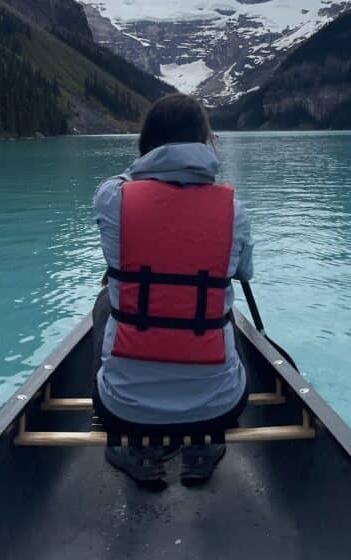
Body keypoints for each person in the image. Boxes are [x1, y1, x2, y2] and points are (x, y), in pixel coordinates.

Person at [92, 92, 254, 486]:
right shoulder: (233, 209)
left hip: (124, 407)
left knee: (105, 303)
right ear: (204, 144)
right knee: (222, 313)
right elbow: (244, 273)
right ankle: (203, 446)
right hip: (218, 405)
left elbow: (130, 183)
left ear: (148, 142)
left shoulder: (112, 197)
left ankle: (138, 450)